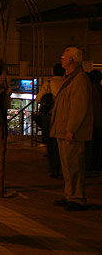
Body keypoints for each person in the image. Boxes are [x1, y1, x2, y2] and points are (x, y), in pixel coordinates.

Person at [51, 47, 93, 211]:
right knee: (67, 166)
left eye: (63, 57)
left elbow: (79, 107)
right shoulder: (71, 78)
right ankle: (70, 194)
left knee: (74, 165)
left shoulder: (80, 79)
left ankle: (77, 197)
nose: (61, 59)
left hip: (71, 131)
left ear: (71, 60)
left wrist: (71, 129)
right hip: (63, 129)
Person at [34, 63, 66, 178]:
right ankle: (60, 167)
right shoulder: (67, 83)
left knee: (50, 142)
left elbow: (38, 99)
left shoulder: (48, 84)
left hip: (49, 116)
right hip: (63, 116)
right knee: (60, 143)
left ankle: (53, 169)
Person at [86, 70, 102, 172]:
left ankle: (90, 164)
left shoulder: (88, 90)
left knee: (90, 145)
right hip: (99, 123)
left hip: (91, 122)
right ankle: (97, 164)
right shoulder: (99, 89)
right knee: (99, 146)